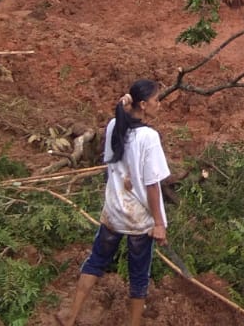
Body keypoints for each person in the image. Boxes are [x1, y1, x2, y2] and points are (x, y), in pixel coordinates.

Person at [59, 80, 170, 326]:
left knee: (96, 261)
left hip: (113, 211)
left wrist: (124, 105)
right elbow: (152, 185)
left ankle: (71, 316)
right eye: (156, 100)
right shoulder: (149, 137)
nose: (159, 104)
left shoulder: (113, 127)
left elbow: (113, 159)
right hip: (139, 218)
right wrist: (159, 223)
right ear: (143, 104)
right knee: (139, 275)